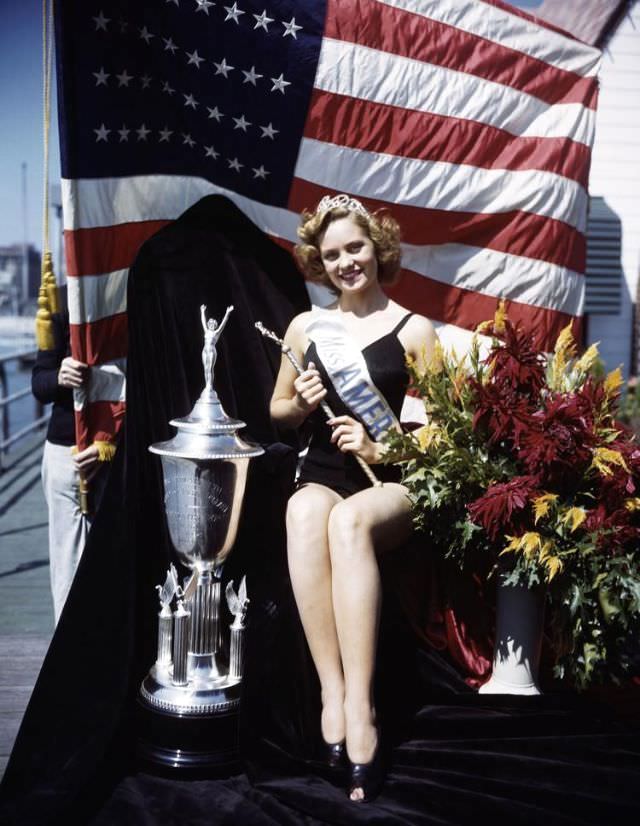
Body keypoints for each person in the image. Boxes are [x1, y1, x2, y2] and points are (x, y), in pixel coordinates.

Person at [269, 194, 438, 802]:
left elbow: (437, 436)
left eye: (355, 248)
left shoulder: (415, 330)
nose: (345, 262)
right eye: (332, 253)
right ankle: (331, 693)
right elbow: (279, 412)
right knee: (304, 509)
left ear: (378, 248)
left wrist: (376, 447)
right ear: (319, 261)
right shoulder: (306, 327)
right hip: (319, 473)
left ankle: (362, 710)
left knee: (347, 522)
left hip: (389, 483)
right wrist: (305, 404)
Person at [32, 308, 107, 623]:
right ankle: (69, 652)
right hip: (66, 448)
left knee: (112, 558)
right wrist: (59, 376)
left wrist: (109, 447)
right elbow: (40, 383)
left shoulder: (136, 296)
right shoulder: (60, 303)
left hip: (117, 451)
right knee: (67, 564)